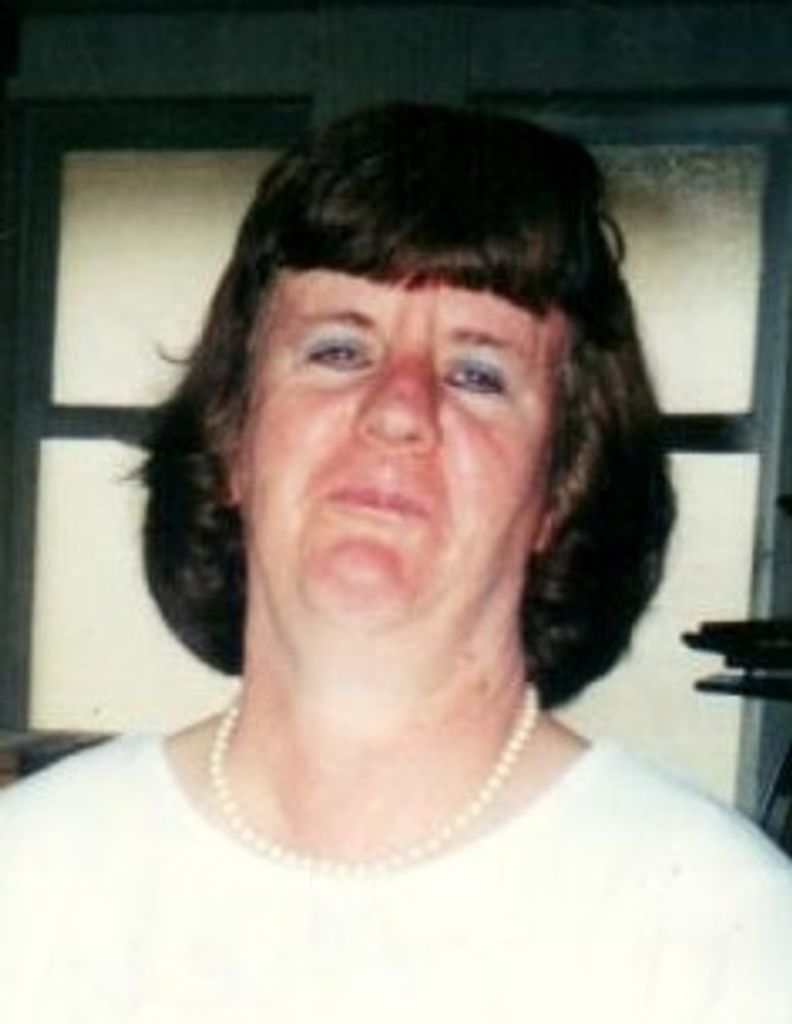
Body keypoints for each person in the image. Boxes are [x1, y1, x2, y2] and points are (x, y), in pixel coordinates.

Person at [1, 102, 790, 1023]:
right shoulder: (30, 878)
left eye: (477, 373)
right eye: (339, 349)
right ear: (231, 440)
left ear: (563, 487)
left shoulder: (726, 932)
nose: (399, 409)